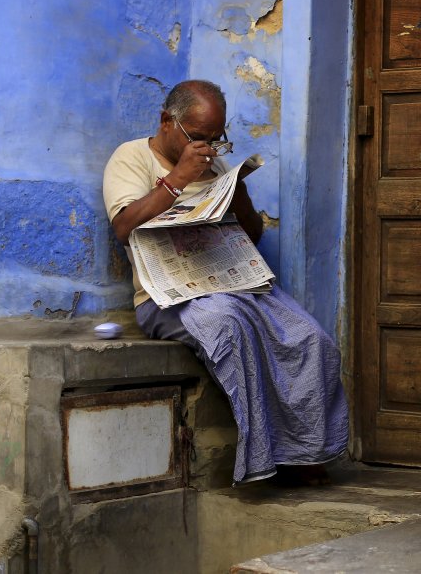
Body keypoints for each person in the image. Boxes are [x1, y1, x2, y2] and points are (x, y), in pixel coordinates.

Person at [102, 79, 348, 484]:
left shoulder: (212, 165)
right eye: (198, 138)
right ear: (167, 122)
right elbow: (125, 226)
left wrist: (238, 196)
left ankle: (304, 452)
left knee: (310, 338)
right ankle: (268, 455)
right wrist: (177, 178)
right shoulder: (131, 158)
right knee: (228, 325)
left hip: (229, 282)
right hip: (166, 298)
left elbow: (250, 236)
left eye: (217, 139)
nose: (209, 149)